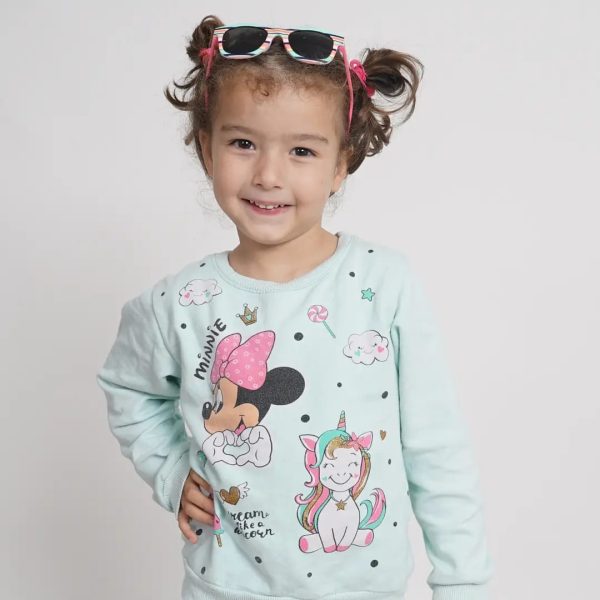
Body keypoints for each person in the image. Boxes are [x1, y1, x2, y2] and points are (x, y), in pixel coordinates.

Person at [96, 14, 494, 600]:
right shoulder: (178, 303)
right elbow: (128, 390)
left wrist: (463, 583)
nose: (268, 174)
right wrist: (171, 470)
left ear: (340, 165)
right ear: (206, 149)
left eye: (302, 150)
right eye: (243, 143)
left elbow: (437, 448)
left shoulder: (384, 285)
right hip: (225, 588)